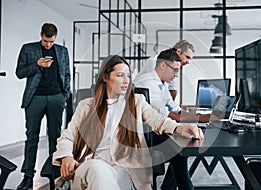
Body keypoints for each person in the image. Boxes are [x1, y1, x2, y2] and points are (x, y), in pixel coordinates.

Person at [52, 55, 203, 189]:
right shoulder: (85, 106)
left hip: (124, 169)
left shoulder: (136, 102)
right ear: (105, 77)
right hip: (90, 165)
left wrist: (180, 129)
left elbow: (158, 120)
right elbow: (67, 136)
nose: (126, 81)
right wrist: (67, 157)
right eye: (120, 75)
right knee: (96, 168)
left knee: (101, 174)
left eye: (128, 76)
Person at [133, 49, 212, 190]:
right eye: (175, 70)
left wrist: (196, 118)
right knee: (180, 147)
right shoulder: (148, 83)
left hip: (158, 128)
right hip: (147, 134)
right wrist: (202, 118)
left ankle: (171, 187)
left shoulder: (162, 82)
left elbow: (174, 108)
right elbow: (166, 115)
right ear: (162, 65)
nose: (176, 75)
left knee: (183, 145)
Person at [15, 23, 70, 190]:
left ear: (55, 38)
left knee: (56, 138)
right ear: (41, 35)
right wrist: (37, 64)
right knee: (32, 138)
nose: (48, 45)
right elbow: (19, 72)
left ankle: (56, 177)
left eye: (51, 41)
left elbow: (67, 73)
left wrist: (64, 95)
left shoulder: (62, 51)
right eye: (46, 41)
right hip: (35, 98)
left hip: (56, 97)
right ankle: (28, 178)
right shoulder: (28, 49)